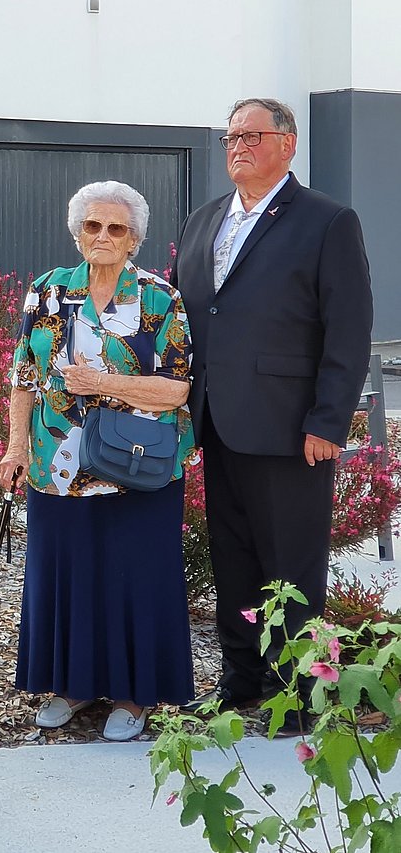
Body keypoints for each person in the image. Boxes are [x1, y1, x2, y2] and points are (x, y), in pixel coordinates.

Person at [173, 98, 373, 729]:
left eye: (252, 135)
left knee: (291, 567)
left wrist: (328, 421)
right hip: (217, 424)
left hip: (292, 430)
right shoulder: (204, 221)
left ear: (288, 144)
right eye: (231, 136)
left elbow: (348, 330)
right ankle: (241, 682)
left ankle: (297, 695)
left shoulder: (327, 221)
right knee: (233, 559)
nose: (238, 145)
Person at [0, 180, 196, 742]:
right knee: (69, 579)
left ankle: (133, 699)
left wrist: (102, 382)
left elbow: (177, 390)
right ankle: (74, 685)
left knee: (133, 580)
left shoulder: (160, 298)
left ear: (134, 239)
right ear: (77, 232)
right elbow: (23, 379)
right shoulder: (47, 292)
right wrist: (15, 447)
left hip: (138, 468)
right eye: (93, 225)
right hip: (57, 465)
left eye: (117, 228)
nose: (103, 236)